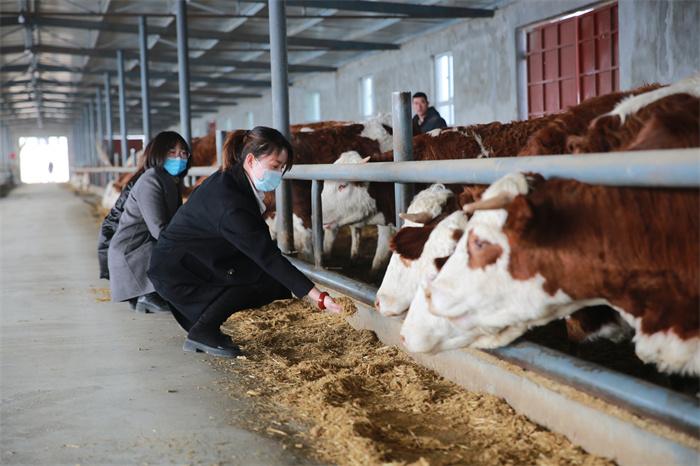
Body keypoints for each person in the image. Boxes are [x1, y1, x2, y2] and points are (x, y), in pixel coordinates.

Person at [148, 126, 342, 358]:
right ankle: (203, 330)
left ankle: (203, 324)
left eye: (282, 167)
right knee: (265, 281)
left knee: (271, 280)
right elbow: (267, 257)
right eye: (274, 166)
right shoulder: (231, 203)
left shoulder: (232, 181)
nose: (279, 174)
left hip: (187, 264)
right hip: (179, 274)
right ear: (251, 160)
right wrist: (318, 296)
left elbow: (260, 246)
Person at [108, 131, 189, 313]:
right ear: (158, 154)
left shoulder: (170, 181)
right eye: (172, 152)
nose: (179, 157)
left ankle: (150, 293)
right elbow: (158, 229)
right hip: (133, 251)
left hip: (143, 248)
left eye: (183, 153)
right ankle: (147, 294)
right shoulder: (150, 180)